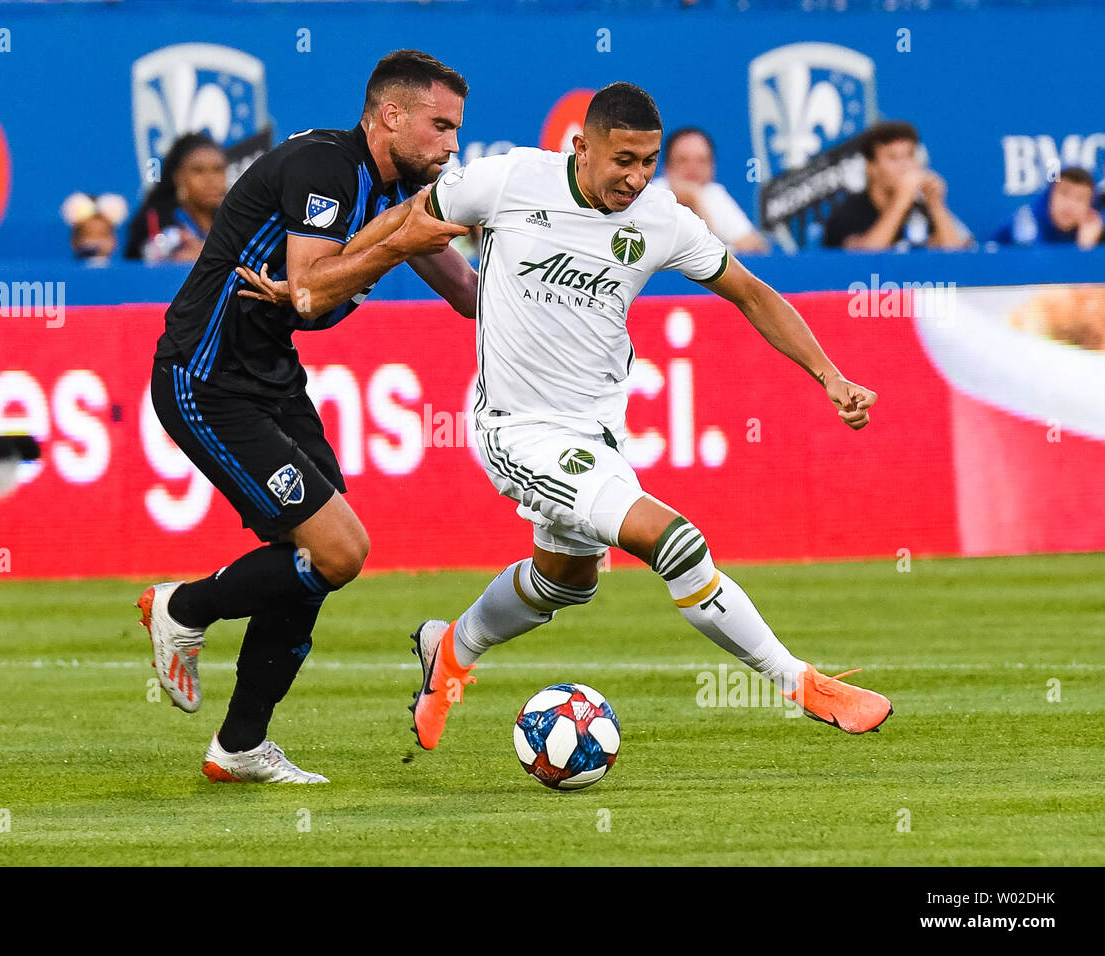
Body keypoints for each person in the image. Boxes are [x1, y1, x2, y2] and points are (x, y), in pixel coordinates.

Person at [392, 82, 894, 751]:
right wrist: (337, 271)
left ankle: (450, 650)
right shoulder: (512, 180)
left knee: (564, 584)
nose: (635, 177)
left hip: (595, 435)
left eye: (648, 162)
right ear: (582, 146)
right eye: (622, 159)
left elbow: (749, 291)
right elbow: (412, 223)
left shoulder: (660, 219)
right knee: (675, 541)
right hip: (513, 428)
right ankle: (800, 682)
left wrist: (829, 374)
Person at [138, 50, 477, 783]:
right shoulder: (328, 167)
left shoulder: (393, 194)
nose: (453, 145)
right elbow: (310, 293)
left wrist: (560, 295)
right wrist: (398, 241)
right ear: (391, 116)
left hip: (271, 379)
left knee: (319, 564)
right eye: (440, 126)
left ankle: (238, 747)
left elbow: (469, 294)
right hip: (207, 375)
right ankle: (182, 607)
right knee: (339, 550)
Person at [822, 121, 967, 251]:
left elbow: (955, 258)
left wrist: (936, 206)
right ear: (871, 167)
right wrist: (901, 200)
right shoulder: (848, 212)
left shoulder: (922, 210)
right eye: (893, 158)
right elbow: (864, 260)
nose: (904, 166)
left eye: (910, 156)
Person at [659, 126, 767, 253]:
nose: (693, 168)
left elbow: (755, 245)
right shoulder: (654, 195)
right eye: (683, 160)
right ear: (667, 167)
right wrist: (693, 198)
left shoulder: (713, 193)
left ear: (712, 167)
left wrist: (696, 200)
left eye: (701, 161)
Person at [125, 133, 228, 264]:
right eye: (198, 170)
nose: (211, 180)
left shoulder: (237, 223)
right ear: (178, 177)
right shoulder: (155, 220)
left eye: (218, 170)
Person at [992, 167, 1102, 250]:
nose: (1070, 205)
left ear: (1091, 206)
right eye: (1064, 193)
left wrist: (1089, 245)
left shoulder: (1097, 229)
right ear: (1049, 195)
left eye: (1080, 198)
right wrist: (1083, 251)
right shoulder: (1026, 222)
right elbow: (1038, 273)